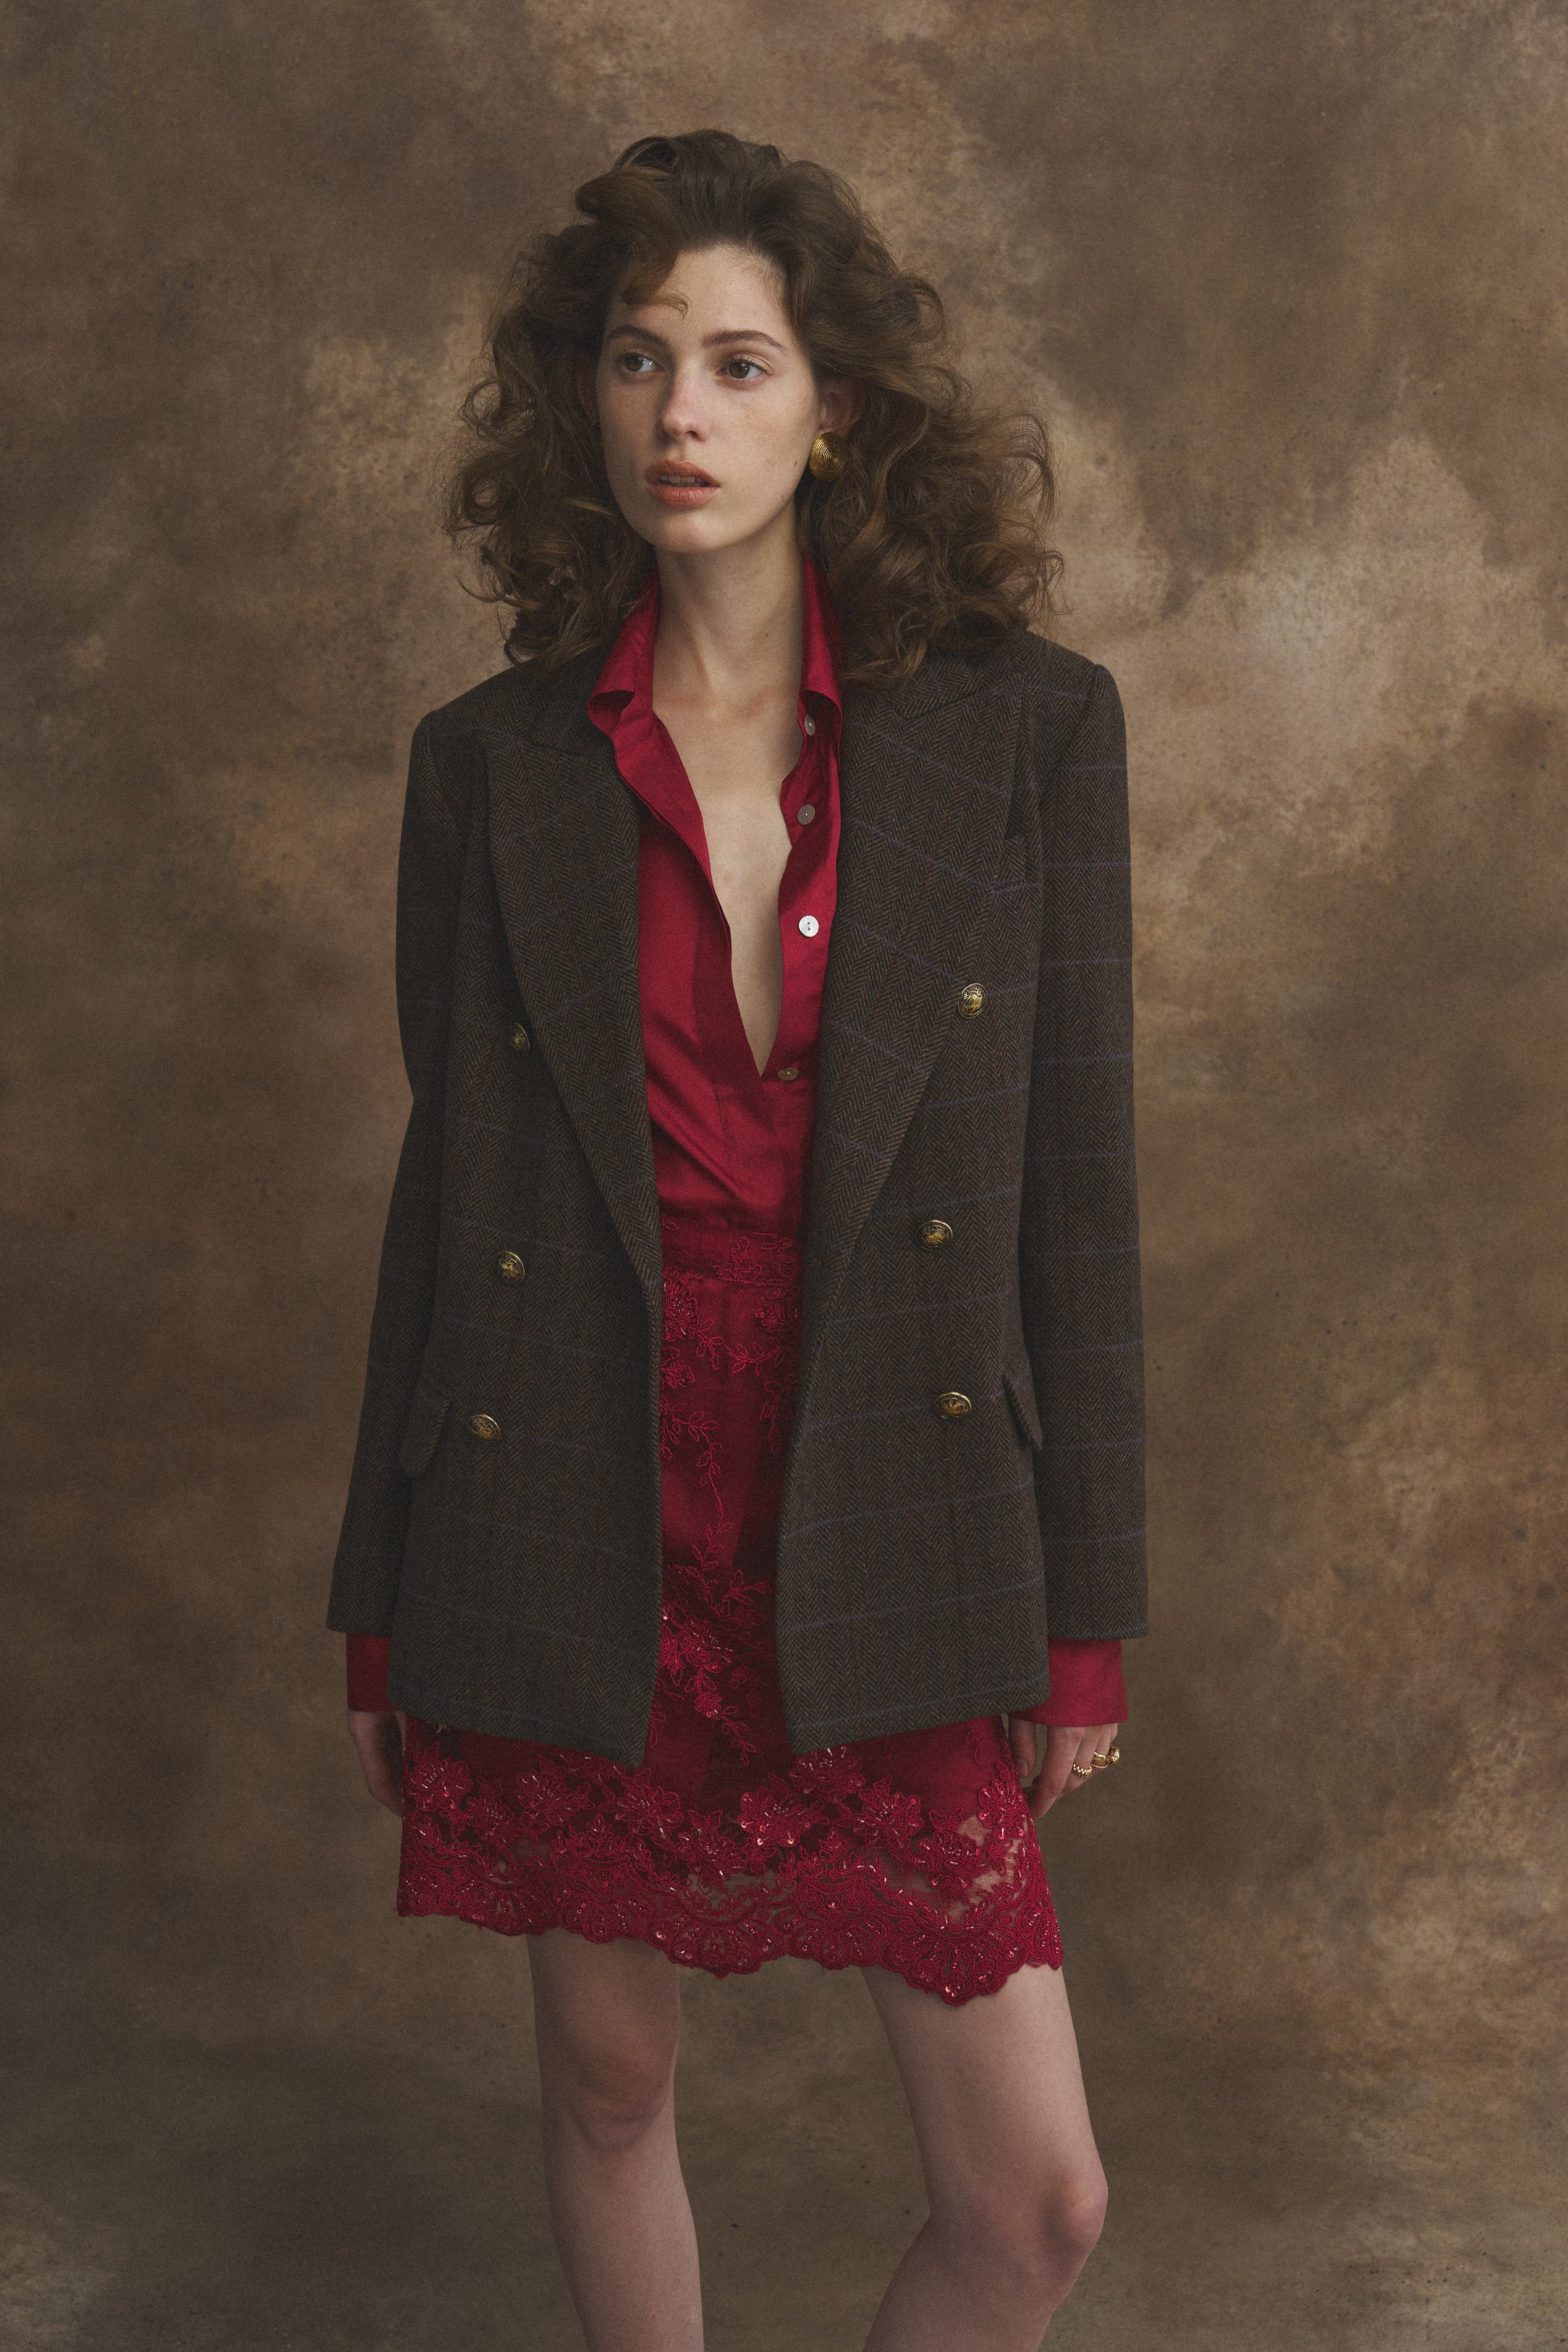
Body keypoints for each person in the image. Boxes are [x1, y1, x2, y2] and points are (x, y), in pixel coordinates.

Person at [329, 130, 1146, 2352]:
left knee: (1035, 2199)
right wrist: (384, 1600)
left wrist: (1084, 1614)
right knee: (608, 2085)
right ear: (581, 396)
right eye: (636, 358)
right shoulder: (491, 764)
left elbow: (1079, 1192)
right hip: (568, 1483)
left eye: (738, 362)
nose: (679, 411)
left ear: (835, 409)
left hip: (892, 1482)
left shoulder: (1028, 733)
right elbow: (453, 1197)